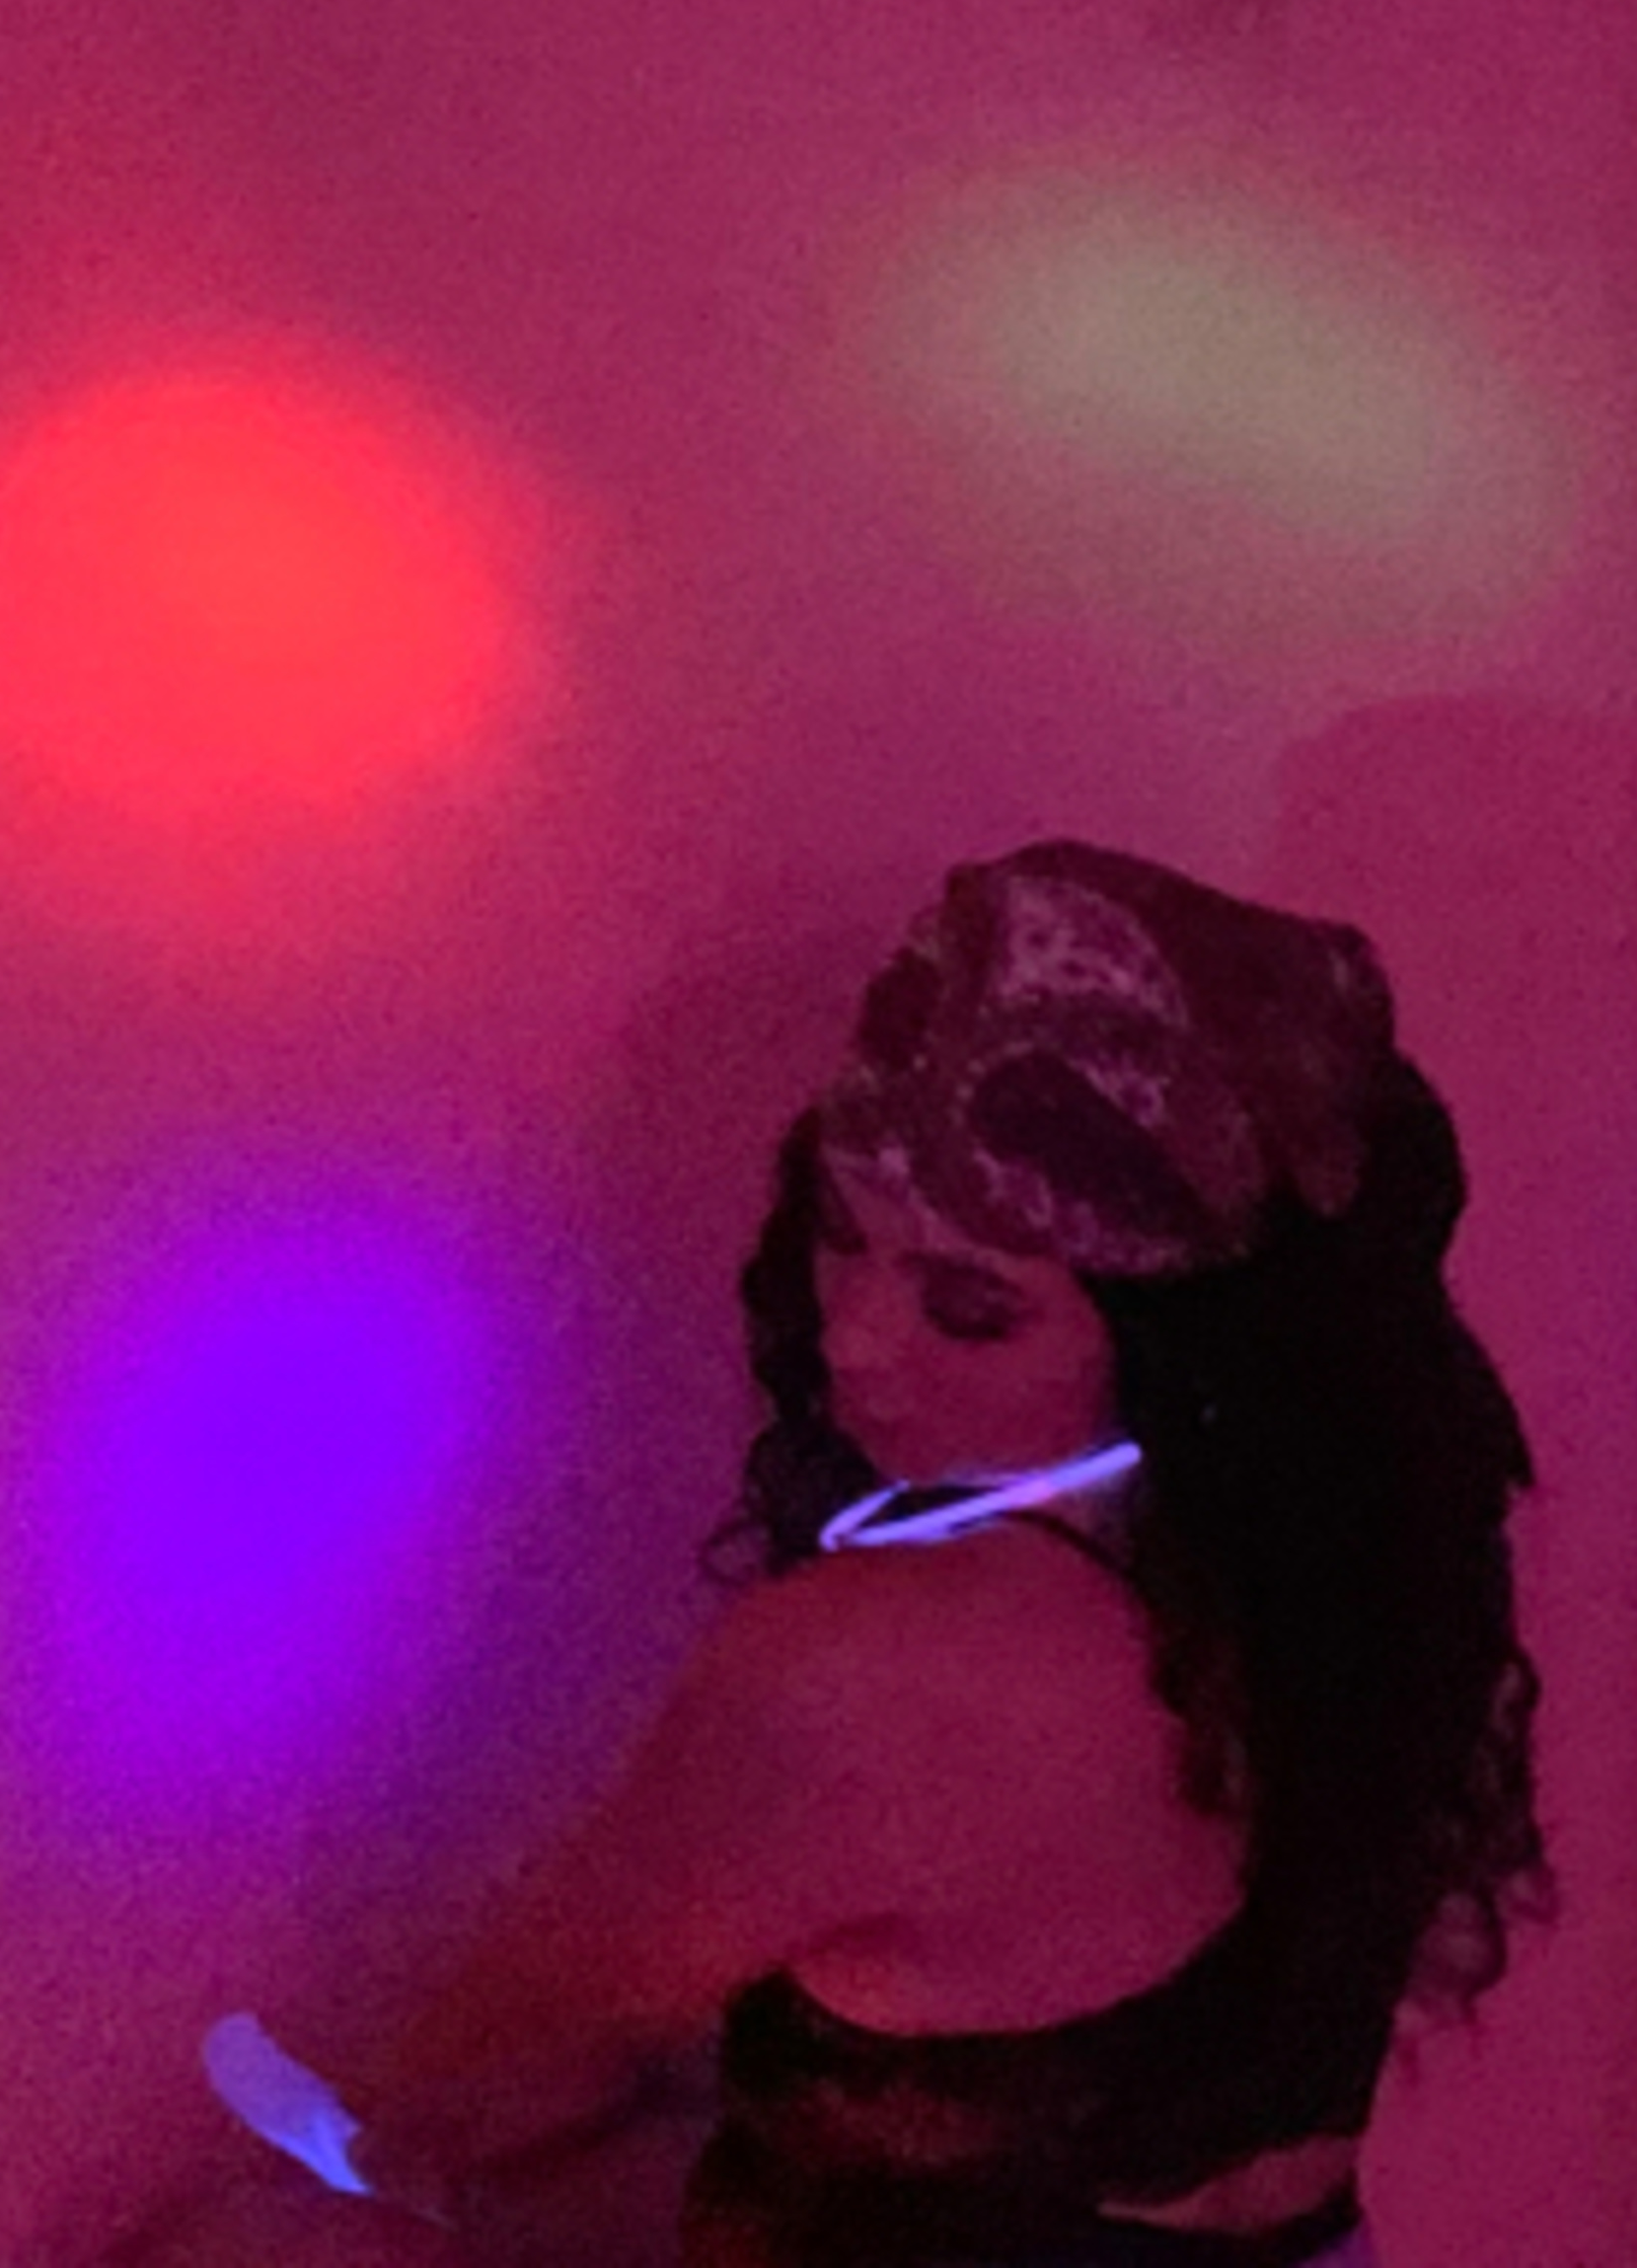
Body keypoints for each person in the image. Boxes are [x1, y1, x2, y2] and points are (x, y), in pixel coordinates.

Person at [179, 839, 1548, 2268]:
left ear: (1185, 1348)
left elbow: (466, 2076)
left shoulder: (872, 1667)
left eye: (970, 1307)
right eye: (837, 1238)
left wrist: (250, 2143)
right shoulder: (1334, 1590)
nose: (856, 1339)